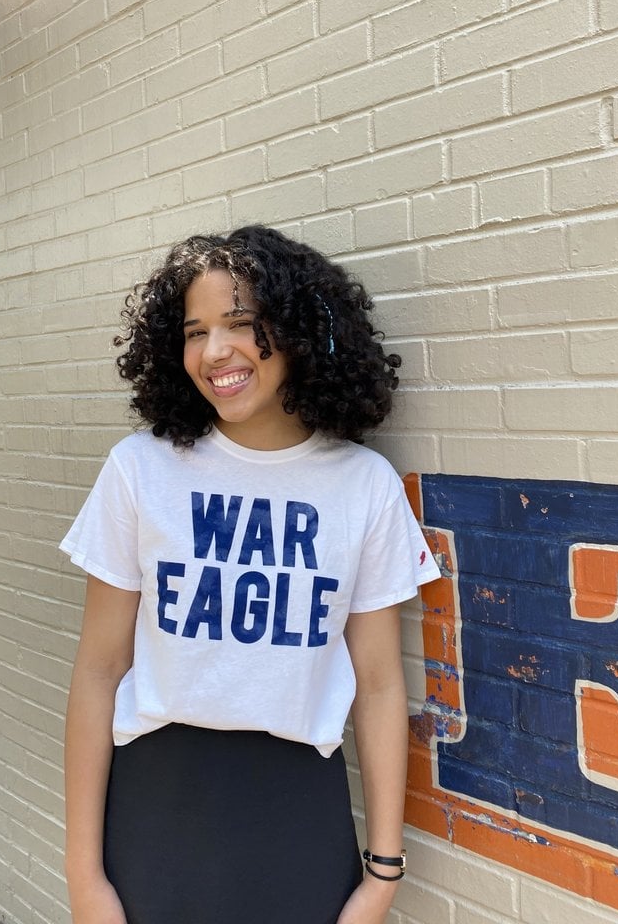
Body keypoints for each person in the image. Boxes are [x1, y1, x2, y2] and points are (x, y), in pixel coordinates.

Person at [60, 224, 441, 924]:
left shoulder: (364, 486)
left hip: (300, 814)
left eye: (240, 323)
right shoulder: (140, 470)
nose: (214, 352)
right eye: (194, 330)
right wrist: (84, 877)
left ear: (296, 331)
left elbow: (382, 685)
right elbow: (98, 670)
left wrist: (382, 874)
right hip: (155, 803)